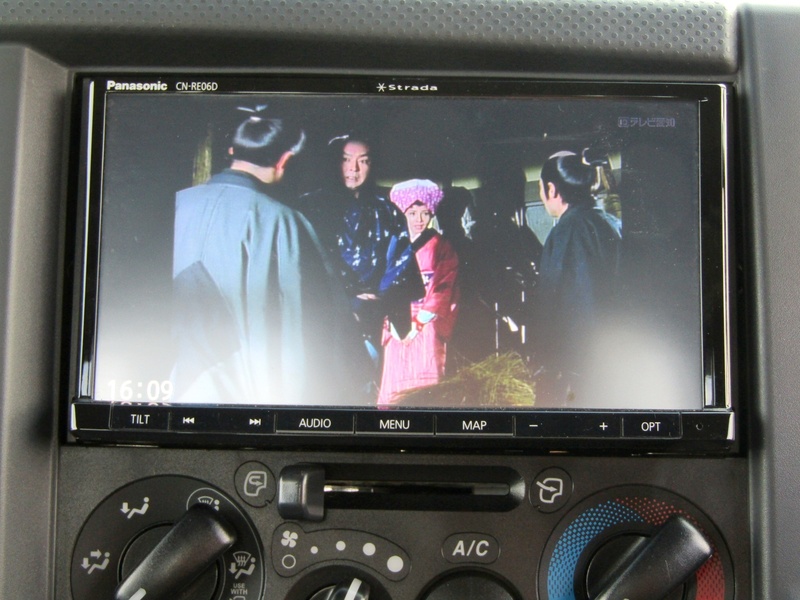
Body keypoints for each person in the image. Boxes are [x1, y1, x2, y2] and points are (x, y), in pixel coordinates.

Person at [171, 108, 365, 405]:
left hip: (173, 383)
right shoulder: (280, 220)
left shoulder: (177, 202)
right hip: (248, 393)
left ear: (233, 151)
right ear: (285, 160)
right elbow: (311, 320)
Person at [297, 134, 424, 374]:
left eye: (363, 161)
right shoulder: (309, 207)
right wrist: (348, 300)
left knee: (365, 378)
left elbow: (401, 262)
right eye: (346, 159)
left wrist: (376, 300)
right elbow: (306, 264)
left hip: (372, 315)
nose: (353, 169)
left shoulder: (386, 210)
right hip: (323, 315)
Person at [533, 150, 622, 405]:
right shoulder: (611, 222)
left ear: (551, 189)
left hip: (581, 363)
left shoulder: (568, 230)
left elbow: (568, 304)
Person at [377, 179, 459, 406]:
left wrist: (419, 322)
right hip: (396, 318)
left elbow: (443, 285)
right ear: (403, 213)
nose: (419, 220)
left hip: (427, 320)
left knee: (426, 379)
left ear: (431, 213)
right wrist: (393, 320)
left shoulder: (442, 246)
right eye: (412, 213)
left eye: (424, 213)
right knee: (396, 379)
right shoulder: (394, 243)